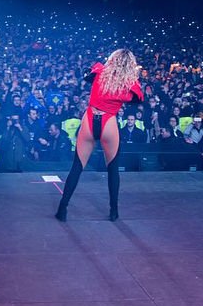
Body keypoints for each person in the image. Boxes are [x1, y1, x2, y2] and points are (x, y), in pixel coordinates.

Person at [55, 49, 142, 222]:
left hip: (90, 119)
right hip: (108, 122)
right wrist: (128, 79)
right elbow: (138, 99)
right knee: (113, 169)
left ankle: (62, 209)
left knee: (77, 167)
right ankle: (114, 211)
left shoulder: (100, 72)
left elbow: (86, 75)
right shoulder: (127, 84)